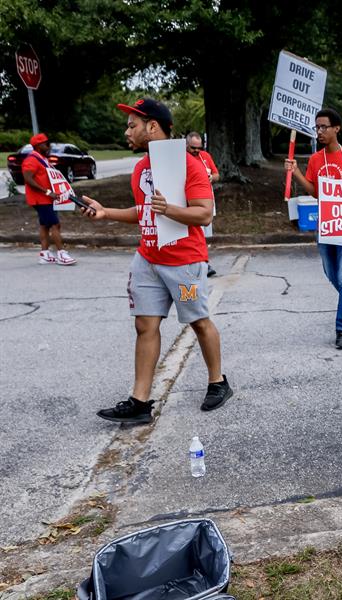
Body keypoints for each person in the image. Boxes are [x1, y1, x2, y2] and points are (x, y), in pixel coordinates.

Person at [81, 98, 233, 424]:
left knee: (198, 321)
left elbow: (204, 214)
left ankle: (218, 382)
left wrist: (172, 210)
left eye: (132, 125)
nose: (127, 132)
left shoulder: (188, 165)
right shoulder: (141, 168)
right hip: (148, 259)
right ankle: (140, 401)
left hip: (184, 262)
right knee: (144, 325)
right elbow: (143, 212)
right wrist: (106, 212)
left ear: (152, 126)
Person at [284, 108, 342, 350]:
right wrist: (296, 173)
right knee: (332, 275)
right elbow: (316, 192)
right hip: (326, 224)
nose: (319, 131)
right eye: (317, 127)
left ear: (336, 129)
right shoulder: (316, 160)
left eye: (324, 127)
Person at [21, 133, 76, 265]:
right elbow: (28, 178)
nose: (49, 146)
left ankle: (45, 254)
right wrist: (47, 191)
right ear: (39, 146)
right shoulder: (32, 160)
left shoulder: (42, 158)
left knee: (45, 225)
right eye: (46, 144)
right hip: (41, 199)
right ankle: (61, 254)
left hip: (46, 198)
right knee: (55, 224)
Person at [186, 132, 220, 277]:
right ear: (186, 145)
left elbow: (217, 174)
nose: (197, 151)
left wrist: (211, 177)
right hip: (191, 202)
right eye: (193, 148)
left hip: (207, 200)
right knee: (194, 234)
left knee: (204, 235)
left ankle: (202, 263)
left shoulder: (205, 156)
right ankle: (201, 264)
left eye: (199, 147)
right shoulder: (182, 158)